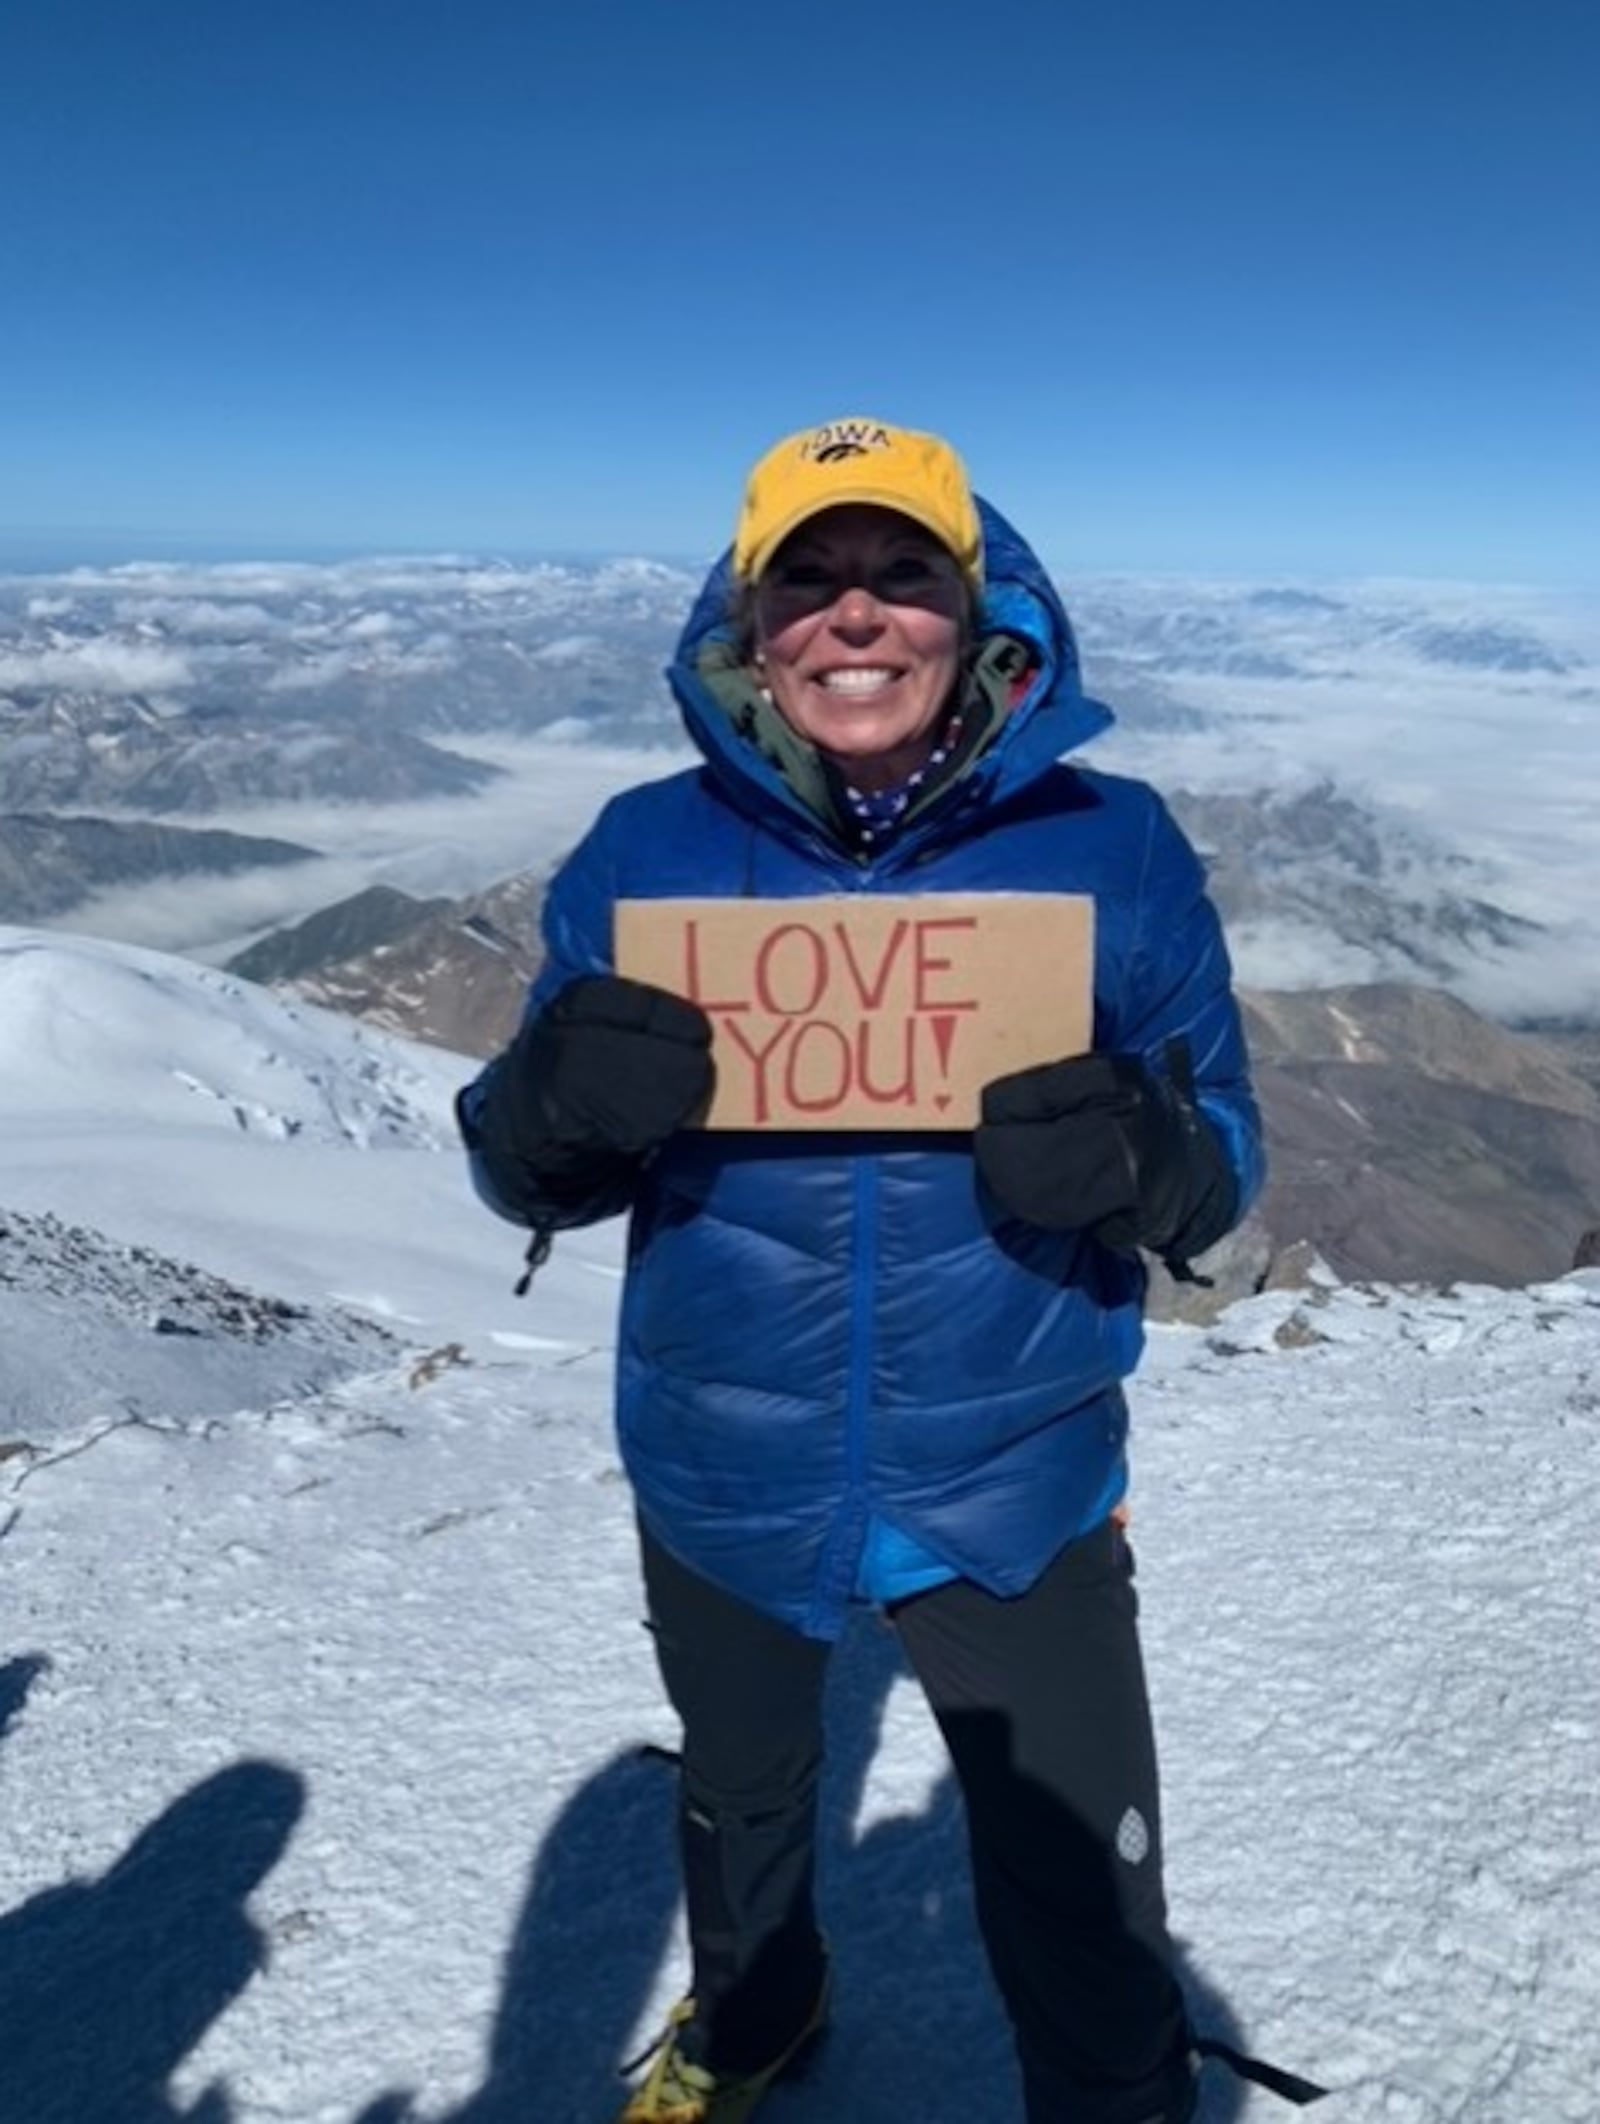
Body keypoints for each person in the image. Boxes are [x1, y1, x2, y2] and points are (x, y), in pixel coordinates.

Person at [457, 418, 1263, 2124]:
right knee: (743, 1801)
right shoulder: (637, 852)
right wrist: (548, 1111)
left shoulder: (1115, 849)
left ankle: (1117, 2098)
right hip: (723, 1461)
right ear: (748, 628)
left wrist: (1155, 1158)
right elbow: (522, 1159)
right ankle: (757, 2021)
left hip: (1015, 1470)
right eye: (808, 578)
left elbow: (1227, 1159)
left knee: (1086, 1888)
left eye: (904, 573)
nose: (857, 614)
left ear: (980, 615)